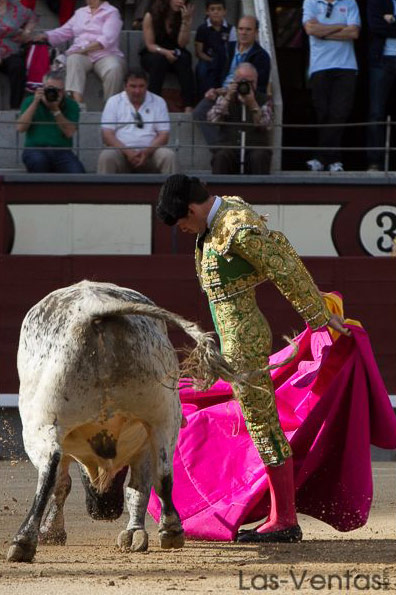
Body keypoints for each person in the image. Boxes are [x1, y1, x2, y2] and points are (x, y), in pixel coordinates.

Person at [156, 174, 350, 543]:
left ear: (194, 209)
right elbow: (285, 259)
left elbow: (285, 268)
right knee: (256, 423)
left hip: (243, 344)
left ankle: (285, 520)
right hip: (232, 343)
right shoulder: (223, 218)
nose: (182, 229)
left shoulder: (236, 227)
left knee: (263, 426)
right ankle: (277, 513)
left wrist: (320, 319)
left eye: (181, 221)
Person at [193, 15, 270, 147]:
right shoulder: (226, 48)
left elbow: (259, 85)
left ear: (256, 32)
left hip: (244, 94)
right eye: (240, 29)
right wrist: (212, 89)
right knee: (200, 112)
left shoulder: (262, 56)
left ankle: (227, 151)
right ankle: (219, 149)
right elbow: (214, 72)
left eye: (248, 29)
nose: (243, 33)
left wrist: (234, 92)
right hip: (220, 92)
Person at [303, 0, 361, 172]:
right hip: (319, 66)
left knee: (339, 113)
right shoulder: (310, 2)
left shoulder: (350, 2)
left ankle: (323, 158)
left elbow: (354, 32)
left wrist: (323, 32)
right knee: (322, 112)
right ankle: (331, 159)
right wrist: (340, 26)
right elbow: (310, 30)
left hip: (346, 67)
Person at [36, 0, 126, 108]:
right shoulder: (80, 12)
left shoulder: (112, 12)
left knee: (114, 68)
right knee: (73, 59)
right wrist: (46, 36)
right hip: (82, 55)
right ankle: (76, 104)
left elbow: (107, 39)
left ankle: (110, 106)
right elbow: (64, 31)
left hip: (105, 54)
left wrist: (84, 49)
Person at [97, 68, 177, 174]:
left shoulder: (158, 101)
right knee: (107, 156)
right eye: (133, 86)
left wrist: (146, 152)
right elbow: (107, 135)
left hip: (151, 154)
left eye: (141, 86)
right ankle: (104, 191)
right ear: (125, 86)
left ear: (147, 86)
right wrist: (128, 152)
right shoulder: (113, 102)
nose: (137, 91)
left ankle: (172, 190)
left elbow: (164, 135)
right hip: (121, 154)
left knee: (168, 156)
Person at [206, 62, 272, 174]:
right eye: (242, 81)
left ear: (256, 82)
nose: (246, 85)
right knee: (221, 155)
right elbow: (212, 119)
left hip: (254, 149)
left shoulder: (264, 100)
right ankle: (220, 191)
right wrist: (227, 98)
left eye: (250, 82)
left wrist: (253, 104)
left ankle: (260, 191)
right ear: (234, 81)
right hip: (229, 148)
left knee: (260, 156)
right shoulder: (225, 97)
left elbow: (266, 125)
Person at [17, 70, 85, 173]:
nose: (55, 93)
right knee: (39, 162)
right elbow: (20, 128)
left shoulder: (71, 105)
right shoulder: (30, 101)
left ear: (64, 90)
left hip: (62, 151)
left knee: (78, 172)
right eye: (51, 89)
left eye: (59, 90)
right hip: (35, 149)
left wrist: (55, 110)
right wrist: (35, 102)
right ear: (43, 88)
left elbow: (69, 132)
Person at [140, 0, 195, 112]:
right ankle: (152, 104)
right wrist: (165, 52)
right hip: (155, 52)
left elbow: (182, 44)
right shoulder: (151, 15)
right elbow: (150, 45)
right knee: (159, 60)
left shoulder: (183, 16)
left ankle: (188, 105)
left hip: (175, 52)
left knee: (185, 58)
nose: (179, 1)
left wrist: (185, 21)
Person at [366, 0, 396, 171]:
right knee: (376, 112)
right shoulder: (376, 1)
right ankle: (374, 162)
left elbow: (382, 27)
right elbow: (375, 26)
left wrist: (391, 20)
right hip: (381, 60)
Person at [194, 0, 236, 100]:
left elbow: (233, 50)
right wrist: (211, 60)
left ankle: (222, 99)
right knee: (202, 70)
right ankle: (203, 98)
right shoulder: (202, 29)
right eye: (212, 9)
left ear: (224, 11)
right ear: (207, 12)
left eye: (219, 9)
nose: (216, 12)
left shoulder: (231, 29)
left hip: (224, 61)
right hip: (207, 60)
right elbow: (199, 52)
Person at [0, 0, 37, 109]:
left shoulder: (16, 7)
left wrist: (27, 32)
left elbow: (32, 17)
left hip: (10, 49)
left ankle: (15, 107)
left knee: (18, 67)